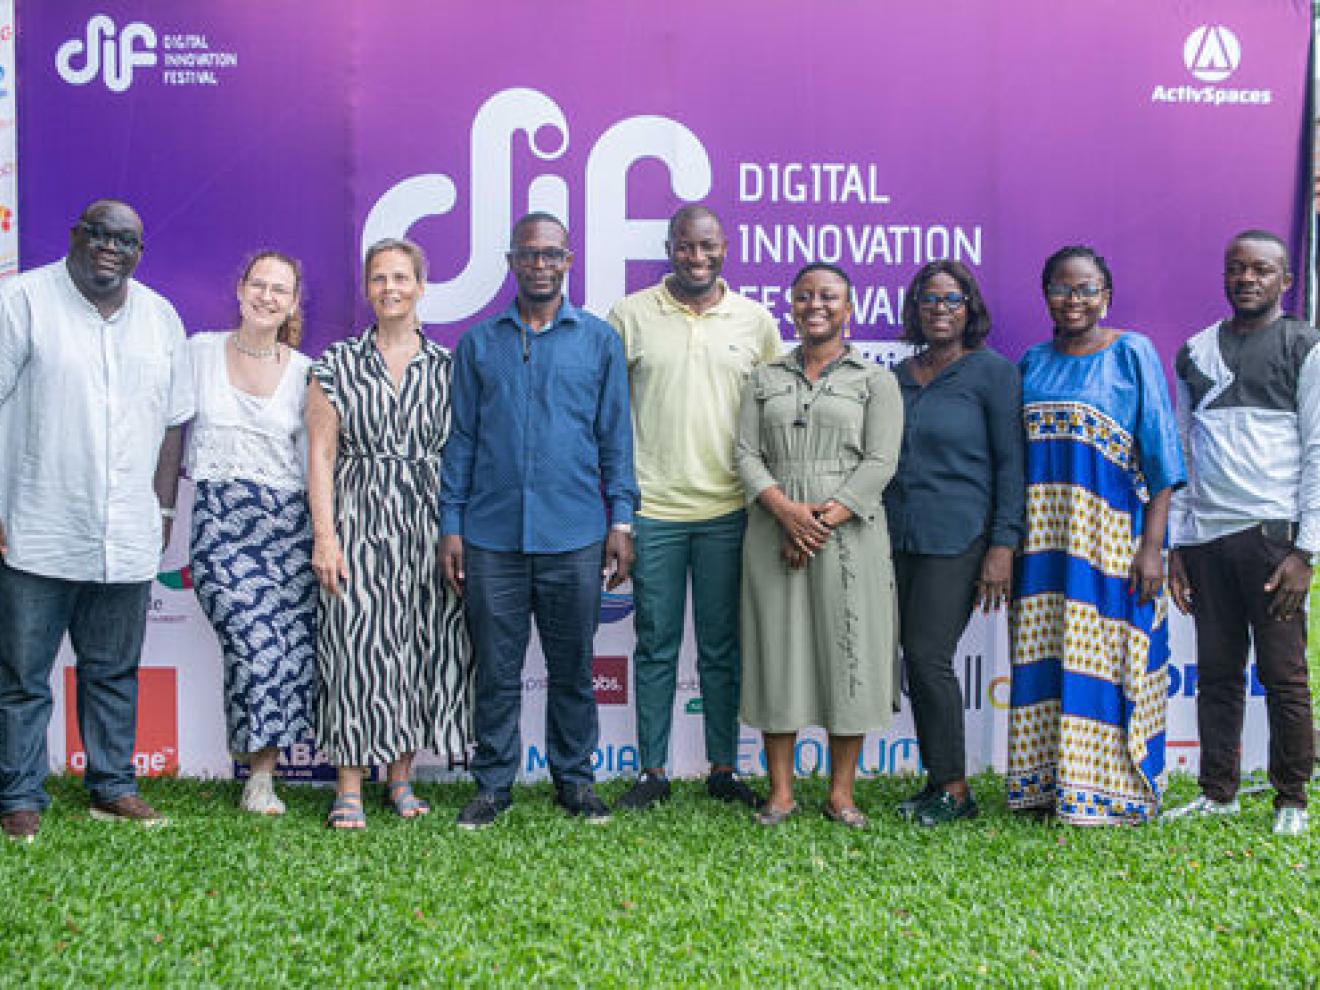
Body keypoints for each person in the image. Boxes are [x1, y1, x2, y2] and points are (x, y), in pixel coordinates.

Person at [0, 199, 194, 840]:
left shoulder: (160, 316)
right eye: (100, 234)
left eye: (127, 240)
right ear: (76, 236)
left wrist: (164, 506)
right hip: (37, 523)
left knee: (112, 668)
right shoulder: (22, 301)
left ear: (140, 251)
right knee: (23, 677)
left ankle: (112, 785)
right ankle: (19, 795)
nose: (111, 247)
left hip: (128, 529)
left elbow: (173, 422)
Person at [441, 212, 638, 829]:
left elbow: (616, 440)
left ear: (568, 261)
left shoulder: (600, 341)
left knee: (572, 669)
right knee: (496, 671)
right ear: (511, 263)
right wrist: (453, 524)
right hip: (492, 535)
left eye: (552, 254)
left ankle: (575, 782)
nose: (541, 265)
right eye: (529, 255)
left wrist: (622, 521)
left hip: (575, 533)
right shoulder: (479, 344)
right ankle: (493, 785)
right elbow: (463, 441)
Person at [606, 206, 780, 812]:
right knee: (654, 643)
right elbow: (606, 419)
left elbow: (776, 415)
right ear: (669, 247)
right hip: (653, 510)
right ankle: (651, 770)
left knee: (721, 646)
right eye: (685, 247)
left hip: (730, 510)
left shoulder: (756, 322)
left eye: (707, 247)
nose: (696, 258)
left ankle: (723, 768)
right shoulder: (629, 316)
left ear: (724, 247)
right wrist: (619, 515)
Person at [1008, 245, 1185, 826]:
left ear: (1105, 295)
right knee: (1046, 657)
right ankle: (1044, 787)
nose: (1074, 300)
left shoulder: (1132, 353)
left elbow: (1161, 461)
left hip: (1109, 540)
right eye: (1062, 288)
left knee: (1107, 660)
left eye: (1086, 289)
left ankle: (1111, 792)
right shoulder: (1031, 362)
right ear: (1046, 296)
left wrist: (1152, 548)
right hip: (1043, 543)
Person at [306, 238, 471, 830]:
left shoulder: (450, 367)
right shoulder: (337, 364)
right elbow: (321, 457)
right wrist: (325, 536)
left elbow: (463, 455)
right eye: (379, 279)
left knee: (417, 646)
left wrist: (460, 534)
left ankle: (400, 779)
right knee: (355, 646)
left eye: (401, 277)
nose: (390, 288)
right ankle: (348, 785)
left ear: (422, 286)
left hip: (428, 525)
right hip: (358, 519)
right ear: (367, 288)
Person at [736, 262, 902, 828]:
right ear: (791, 306)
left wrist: (818, 524)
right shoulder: (762, 378)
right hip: (772, 527)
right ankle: (780, 792)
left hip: (850, 531)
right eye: (804, 296)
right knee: (776, 654)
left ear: (849, 308)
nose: (815, 306)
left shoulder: (875, 380)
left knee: (847, 653)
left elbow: (881, 461)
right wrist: (785, 513)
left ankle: (840, 793)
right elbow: (745, 456)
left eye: (828, 297)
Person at [1165, 230, 1317, 836]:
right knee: (1219, 674)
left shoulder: (1304, 346)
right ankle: (1218, 792)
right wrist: (1178, 543)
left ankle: (1291, 801)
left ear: (1286, 281)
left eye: (1261, 270)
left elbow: (1316, 450)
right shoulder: (1195, 352)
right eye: (1237, 269)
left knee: (1284, 677)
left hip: (1274, 538)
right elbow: (1181, 450)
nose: (1247, 279)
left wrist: (1306, 550)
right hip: (1207, 538)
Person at [886, 260, 1025, 826]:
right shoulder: (897, 374)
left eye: (952, 299)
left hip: (960, 538)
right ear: (914, 307)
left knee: (927, 654)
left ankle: (956, 789)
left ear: (970, 309)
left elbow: (1011, 466)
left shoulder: (993, 373)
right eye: (929, 299)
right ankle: (935, 780)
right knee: (915, 661)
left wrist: (1002, 547)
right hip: (896, 537)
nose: (939, 309)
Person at [187, 251, 316, 816]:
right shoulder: (198, 352)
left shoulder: (307, 370)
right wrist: (163, 509)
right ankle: (253, 764)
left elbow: (316, 460)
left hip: (286, 526)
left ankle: (261, 776)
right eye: (258, 284)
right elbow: (169, 432)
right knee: (247, 640)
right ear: (240, 290)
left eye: (279, 289)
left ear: (292, 302)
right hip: (219, 521)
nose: (267, 296)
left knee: (281, 651)